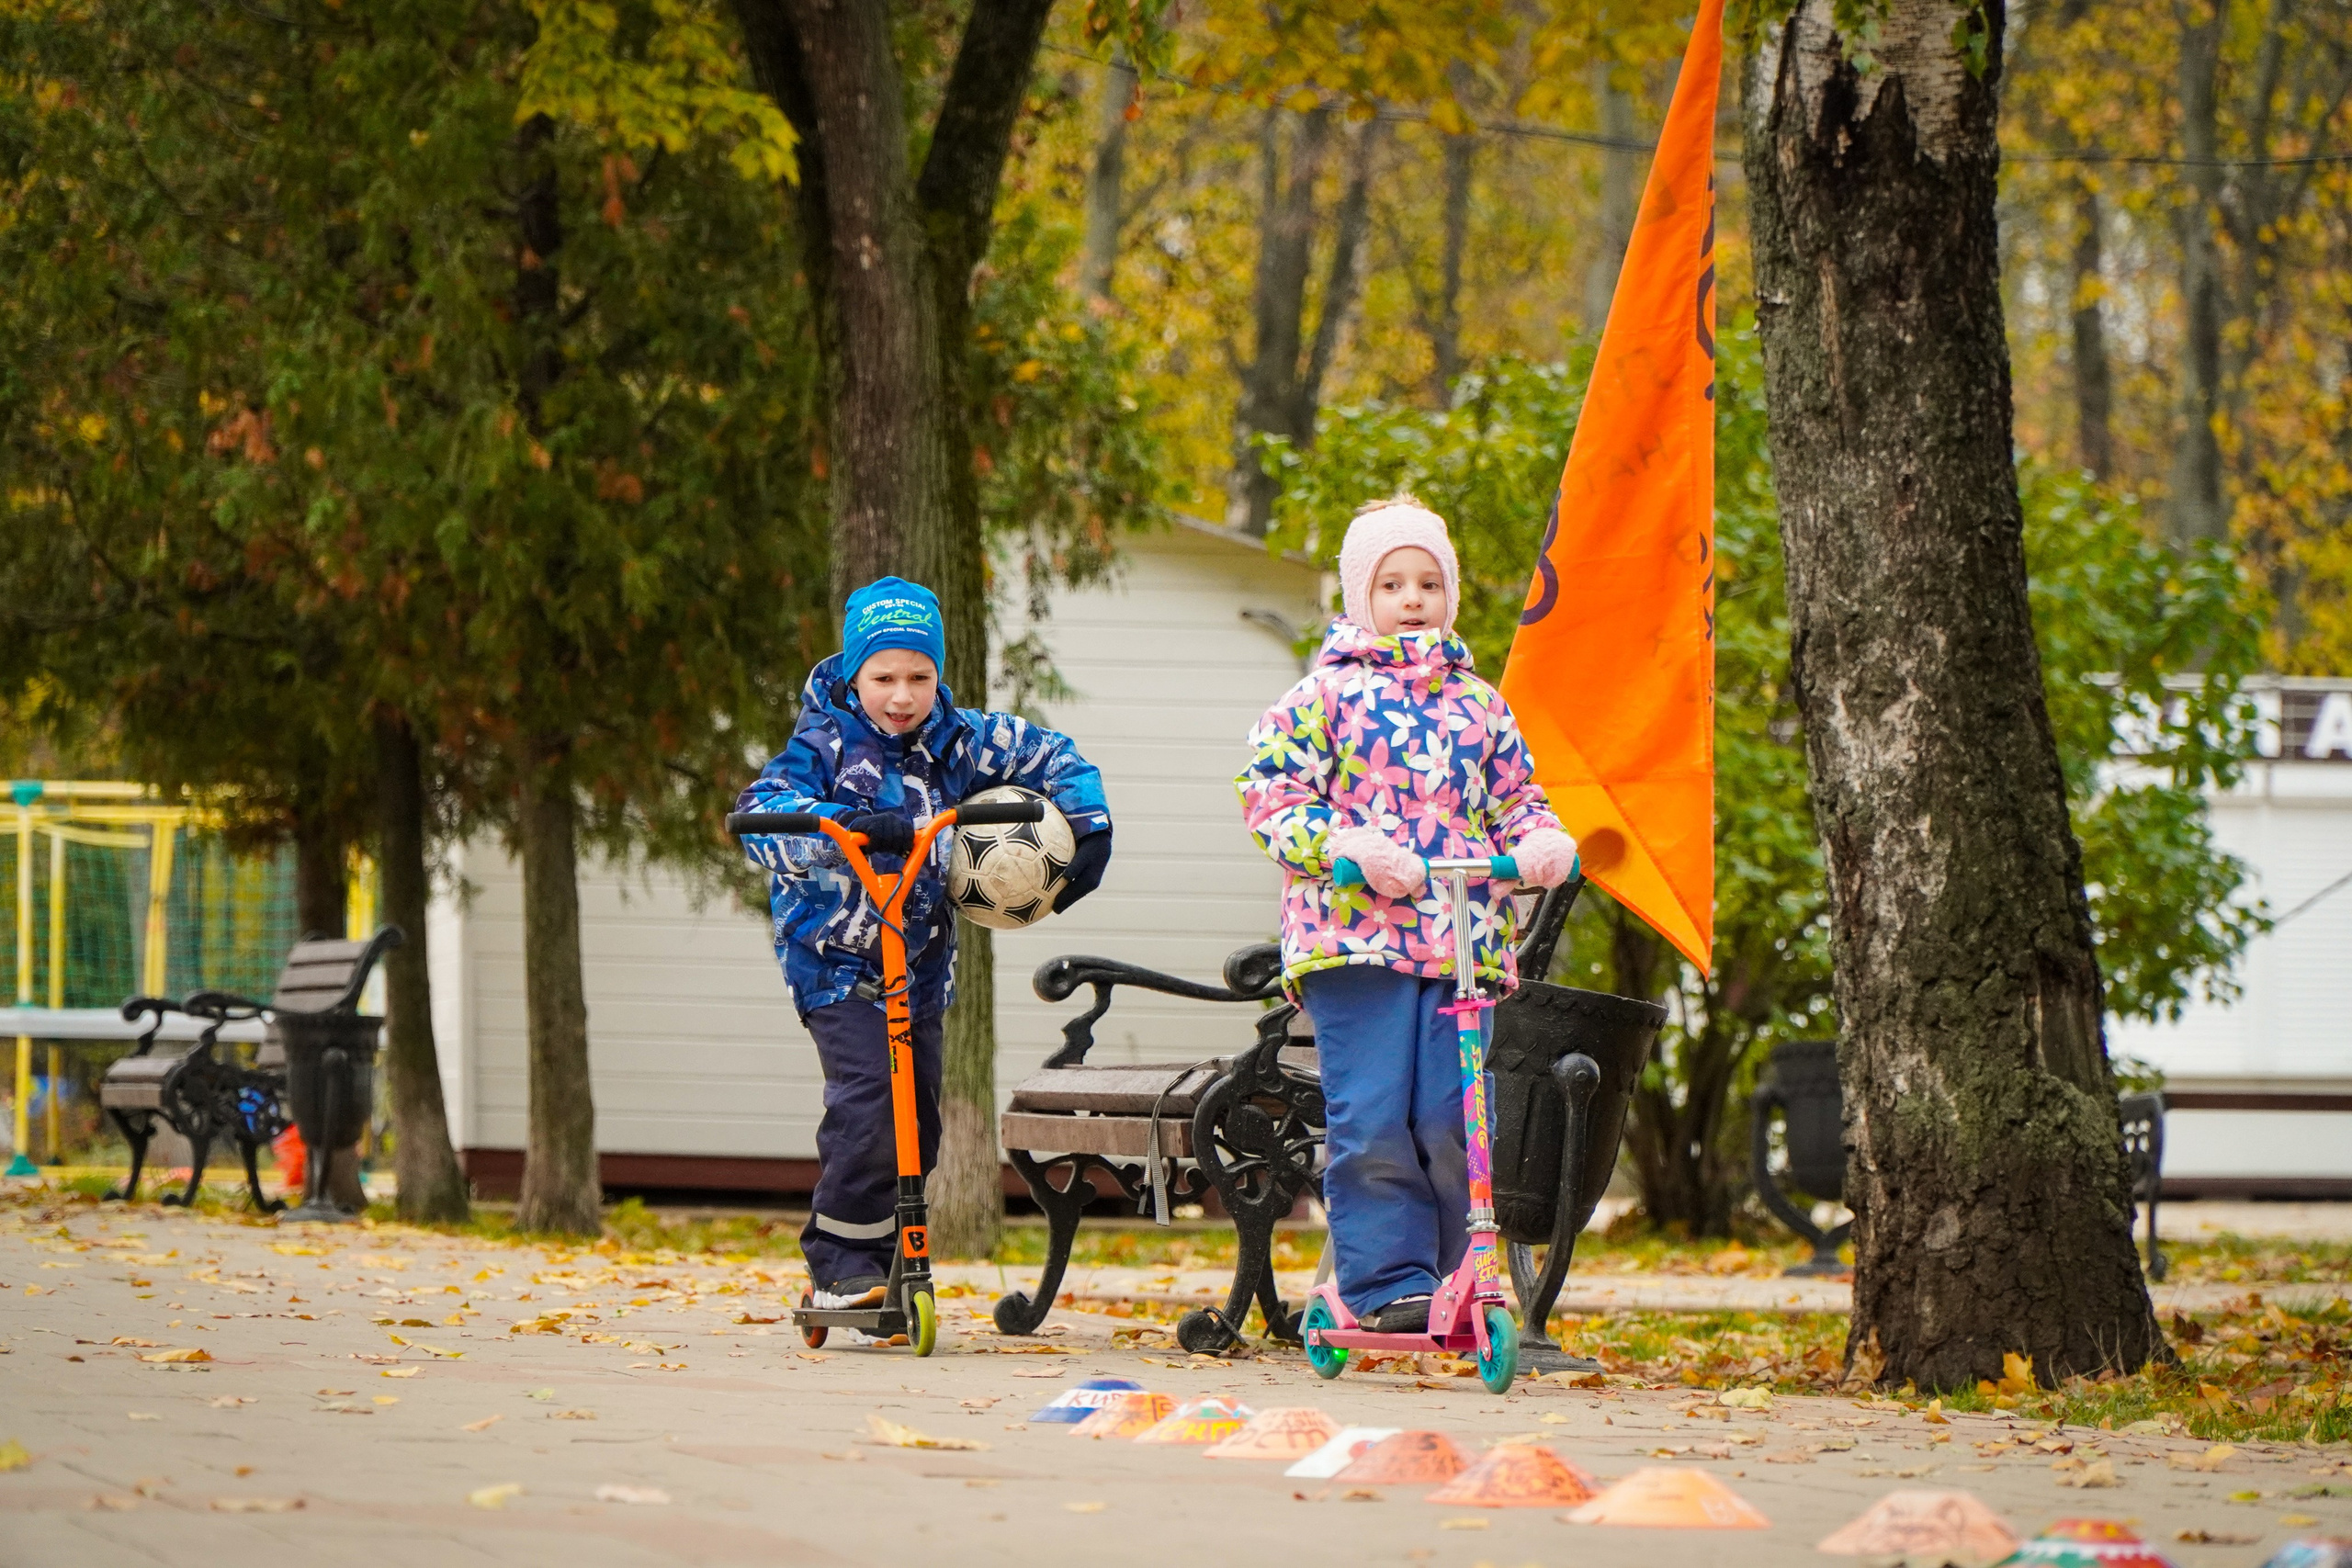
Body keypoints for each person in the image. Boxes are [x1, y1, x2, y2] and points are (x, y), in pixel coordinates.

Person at [1235, 497, 1578, 1333]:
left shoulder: (1481, 705)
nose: (1413, 597)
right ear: (1362, 596)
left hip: (1459, 940)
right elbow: (1271, 798)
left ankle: (1463, 1278)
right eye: (1393, 583)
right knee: (1375, 1111)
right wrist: (1345, 844)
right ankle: (1387, 1282)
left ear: (1450, 594)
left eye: (1429, 581)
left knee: (1454, 1114)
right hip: (1353, 940)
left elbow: (1516, 799)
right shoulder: (1321, 698)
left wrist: (1538, 844)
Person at [738, 577, 1113, 1309]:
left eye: (919, 675)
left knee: (918, 1114)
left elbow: (1052, 755)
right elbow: (764, 810)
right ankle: (842, 1259)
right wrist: (836, 825)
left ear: (938, 674)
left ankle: (888, 1261)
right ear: (854, 673)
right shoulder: (823, 741)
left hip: (921, 963)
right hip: (836, 963)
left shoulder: (960, 738)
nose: (902, 696)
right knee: (872, 1094)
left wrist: (1088, 822)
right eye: (883, 677)